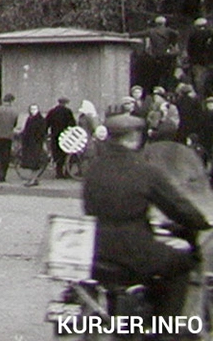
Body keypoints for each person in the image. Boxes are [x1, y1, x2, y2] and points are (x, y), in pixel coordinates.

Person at [83, 112, 210, 319]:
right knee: (182, 262)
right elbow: (177, 206)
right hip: (132, 253)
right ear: (134, 138)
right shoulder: (144, 170)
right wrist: (201, 221)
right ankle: (167, 327)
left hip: (95, 251)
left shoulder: (93, 169)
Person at [0, 93, 18, 182]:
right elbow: (14, 124)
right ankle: (4, 174)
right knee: (6, 156)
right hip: (8, 136)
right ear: (12, 101)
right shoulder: (14, 111)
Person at [18, 104, 48, 187]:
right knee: (33, 162)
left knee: (34, 163)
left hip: (34, 144)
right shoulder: (32, 119)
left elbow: (40, 133)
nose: (32, 111)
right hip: (31, 143)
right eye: (31, 109)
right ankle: (34, 179)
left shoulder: (38, 120)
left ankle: (33, 179)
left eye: (34, 109)